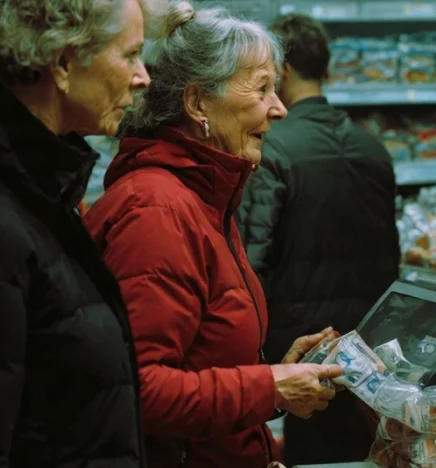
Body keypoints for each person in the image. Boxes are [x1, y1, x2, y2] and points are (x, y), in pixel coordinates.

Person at [82, 3, 343, 467]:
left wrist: (275, 377)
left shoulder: (203, 199)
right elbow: (138, 388)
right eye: (262, 88)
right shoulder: (158, 211)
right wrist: (268, 386)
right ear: (197, 102)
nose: (280, 108)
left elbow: (196, 362)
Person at [0, 0, 160, 465]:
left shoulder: (46, 192)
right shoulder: (3, 219)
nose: (143, 76)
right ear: (64, 62)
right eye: (129, 55)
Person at [235, 13, 401, 465]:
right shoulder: (373, 148)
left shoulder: (274, 148)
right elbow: (392, 251)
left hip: (303, 349)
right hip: (371, 345)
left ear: (282, 72)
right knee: (373, 452)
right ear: (325, 68)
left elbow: (253, 256)